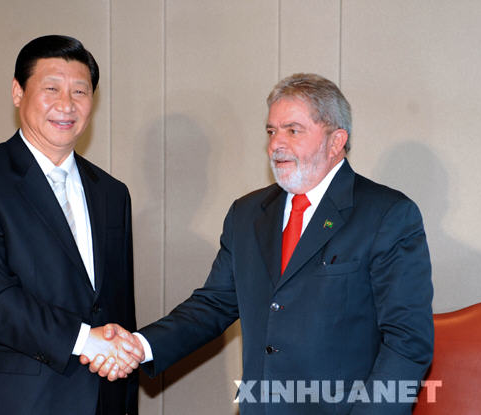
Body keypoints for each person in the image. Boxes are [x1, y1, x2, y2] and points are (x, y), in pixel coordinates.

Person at [87, 73, 434, 414]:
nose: (275, 145)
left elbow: (407, 342)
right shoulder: (247, 214)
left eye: (292, 130)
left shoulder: (386, 215)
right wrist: (140, 345)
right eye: (271, 131)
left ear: (335, 141)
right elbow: (213, 304)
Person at [0, 35, 143, 415]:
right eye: (51, 89)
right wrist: (85, 340)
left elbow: (118, 308)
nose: (66, 104)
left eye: (80, 91)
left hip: (105, 398)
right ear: (18, 92)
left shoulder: (112, 193)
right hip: (19, 402)